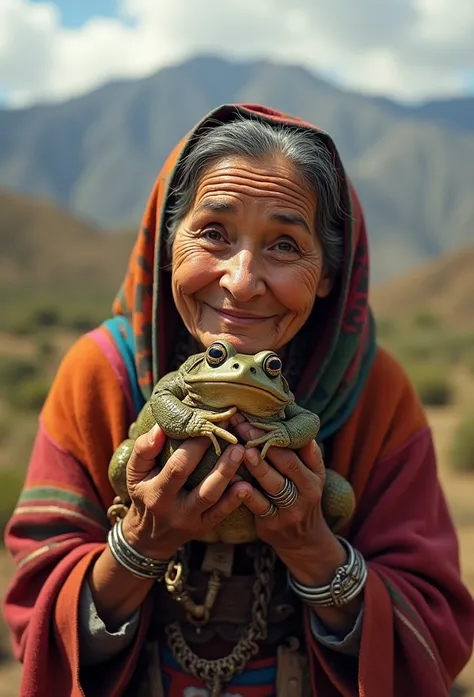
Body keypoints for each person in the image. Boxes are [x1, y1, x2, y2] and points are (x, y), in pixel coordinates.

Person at [3, 103, 474, 697]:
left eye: (284, 245)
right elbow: (35, 612)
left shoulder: (376, 392)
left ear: (328, 271)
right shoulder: (100, 375)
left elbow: (435, 628)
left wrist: (312, 548)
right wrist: (141, 544)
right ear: (166, 241)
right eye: (213, 234)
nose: (241, 280)